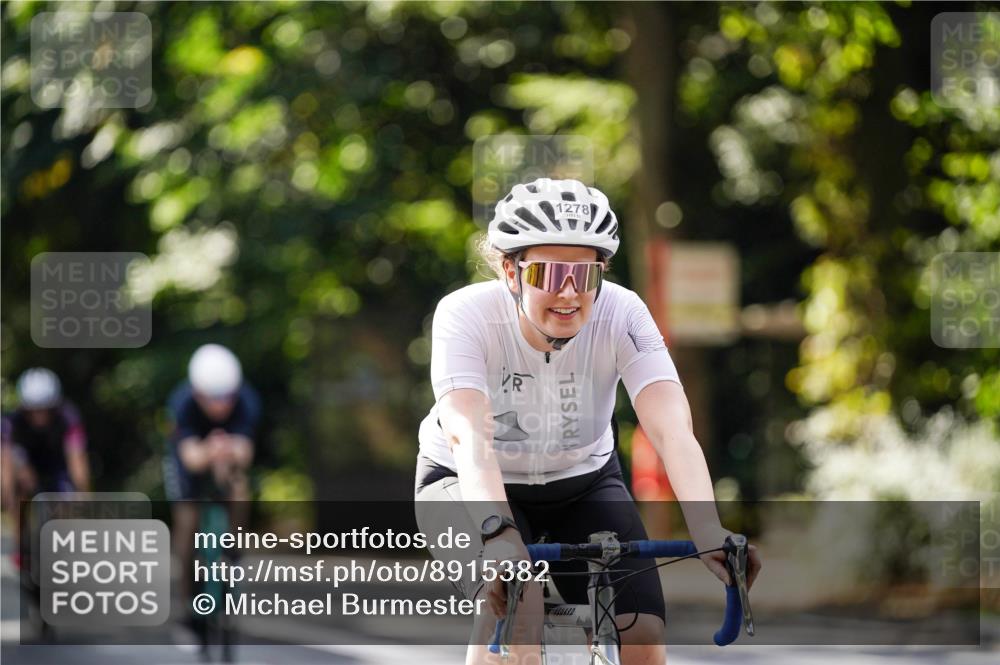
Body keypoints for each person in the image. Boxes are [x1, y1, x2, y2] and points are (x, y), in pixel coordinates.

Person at [415, 178, 761, 665]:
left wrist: (706, 526)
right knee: (520, 603)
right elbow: (467, 432)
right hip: (466, 485)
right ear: (511, 272)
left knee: (642, 635)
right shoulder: (466, 314)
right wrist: (498, 536)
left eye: (586, 274)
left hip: (583, 482)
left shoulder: (622, 313)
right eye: (549, 273)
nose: (570, 293)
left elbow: (671, 428)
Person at [164, 343, 260, 628]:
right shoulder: (181, 403)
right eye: (213, 398)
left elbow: (245, 451)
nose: (221, 405)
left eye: (227, 398)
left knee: (239, 488)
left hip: (224, 455)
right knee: (187, 520)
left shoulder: (247, 400)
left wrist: (226, 451)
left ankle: (234, 547)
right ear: (197, 393)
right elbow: (191, 459)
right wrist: (210, 450)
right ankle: (186, 600)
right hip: (188, 459)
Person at [1, 368, 91, 569]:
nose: (39, 415)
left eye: (45, 409)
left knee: (70, 503)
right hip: (27, 464)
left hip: (58, 463)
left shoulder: (69, 417)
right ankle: (21, 545)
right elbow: (6, 463)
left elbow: (78, 460)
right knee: (20, 488)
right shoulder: (12, 422)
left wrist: (83, 493)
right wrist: (8, 497)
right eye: (34, 409)